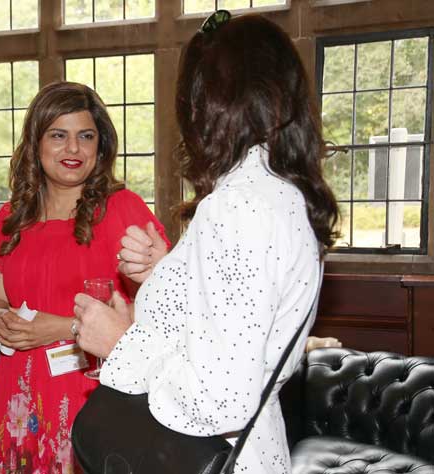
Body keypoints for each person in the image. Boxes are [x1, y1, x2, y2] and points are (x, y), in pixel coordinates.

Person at [71, 12, 339, 474]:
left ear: (207, 104)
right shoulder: (284, 195)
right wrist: (168, 270)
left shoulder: (236, 206)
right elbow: (238, 324)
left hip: (211, 453)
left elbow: (218, 398)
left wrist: (119, 342)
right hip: (252, 447)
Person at [0, 81, 169, 472]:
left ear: (100, 146)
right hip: (18, 397)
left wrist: (60, 328)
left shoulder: (124, 210)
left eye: (85, 136)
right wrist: (2, 319)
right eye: (58, 136)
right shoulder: (11, 218)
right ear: (36, 143)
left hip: (94, 394)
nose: (73, 149)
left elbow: (159, 317)